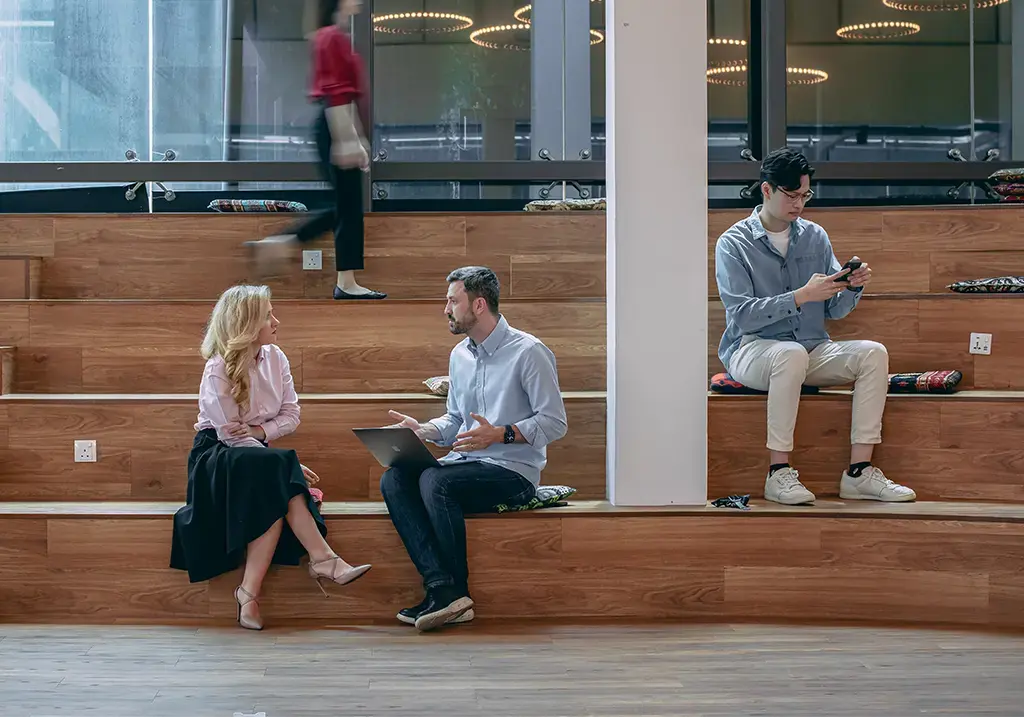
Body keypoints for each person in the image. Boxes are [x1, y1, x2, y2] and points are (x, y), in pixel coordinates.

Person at [714, 147, 916, 506]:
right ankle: (778, 474)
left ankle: (859, 473)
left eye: (804, 195)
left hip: (811, 348)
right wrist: (800, 295)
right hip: (752, 350)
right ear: (766, 190)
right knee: (789, 354)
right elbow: (742, 315)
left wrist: (851, 286)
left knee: (873, 353)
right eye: (791, 195)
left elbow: (834, 312)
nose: (798, 204)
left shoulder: (815, 236)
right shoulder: (734, 243)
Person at [170, 284, 371, 630]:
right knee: (275, 476)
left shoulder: (276, 358)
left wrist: (265, 443)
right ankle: (322, 560)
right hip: (215, 457)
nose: (276, 321)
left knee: (272, 487)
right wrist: (278, 463)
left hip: (255, 455)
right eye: (268, 315)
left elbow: (292, 415)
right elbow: (229, 435)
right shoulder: (218, 367)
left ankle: (249, 593)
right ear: (247, 324)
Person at [381, 266, 568, 632]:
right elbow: (455, 418)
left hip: (513, 472)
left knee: (435, 481)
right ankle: (443, 588)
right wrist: (424, 430)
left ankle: (455, 593)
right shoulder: (459, 355)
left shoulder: (529, 352)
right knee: (396, 478)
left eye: (453, 301)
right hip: (465, 462)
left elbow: (554, 422)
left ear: (479, 304)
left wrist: (500, 434)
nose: (445, 309)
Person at [245, 0, 385, 301]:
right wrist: (349, 140)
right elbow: (337, 94)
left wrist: (356, 138)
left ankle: (289, 245)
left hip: (337, 123)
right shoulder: (331, 37)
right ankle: (335, 275)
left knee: (346, 208)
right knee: (347, 208)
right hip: (335, 124)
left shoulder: (330, 36)